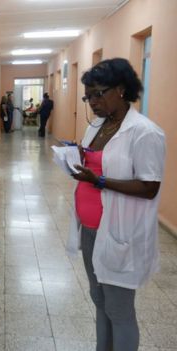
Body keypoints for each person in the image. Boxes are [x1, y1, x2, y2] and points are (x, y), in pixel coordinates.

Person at [67, 58, 165, 351]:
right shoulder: (98, 125)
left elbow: (149, 187)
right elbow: (97, 160)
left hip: (120, 232)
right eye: (88, 96)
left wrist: (99, 181)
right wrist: (76, 156)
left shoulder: (145, 132)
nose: (93, 102)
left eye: (99, 93)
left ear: (121, 89)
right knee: (99, 301)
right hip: (91, 228)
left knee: (120, 310)